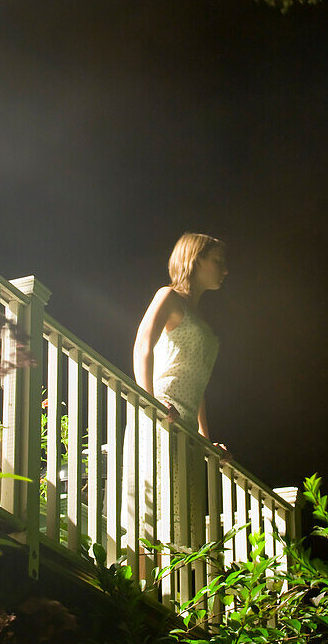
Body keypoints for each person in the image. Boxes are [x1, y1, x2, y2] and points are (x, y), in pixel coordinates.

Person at [125, 233, 229, 568]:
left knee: (182, 511)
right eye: (218, 260)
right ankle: (138, 589)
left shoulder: (203, 322)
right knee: (151, 504)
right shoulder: (169, 296)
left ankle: (173, 600)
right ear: (196, 259)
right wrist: (149, 402)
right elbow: (143, 344)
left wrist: (205, 437)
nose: (224, 269)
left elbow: (198, 382)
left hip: (184, 422)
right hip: (161, 412)